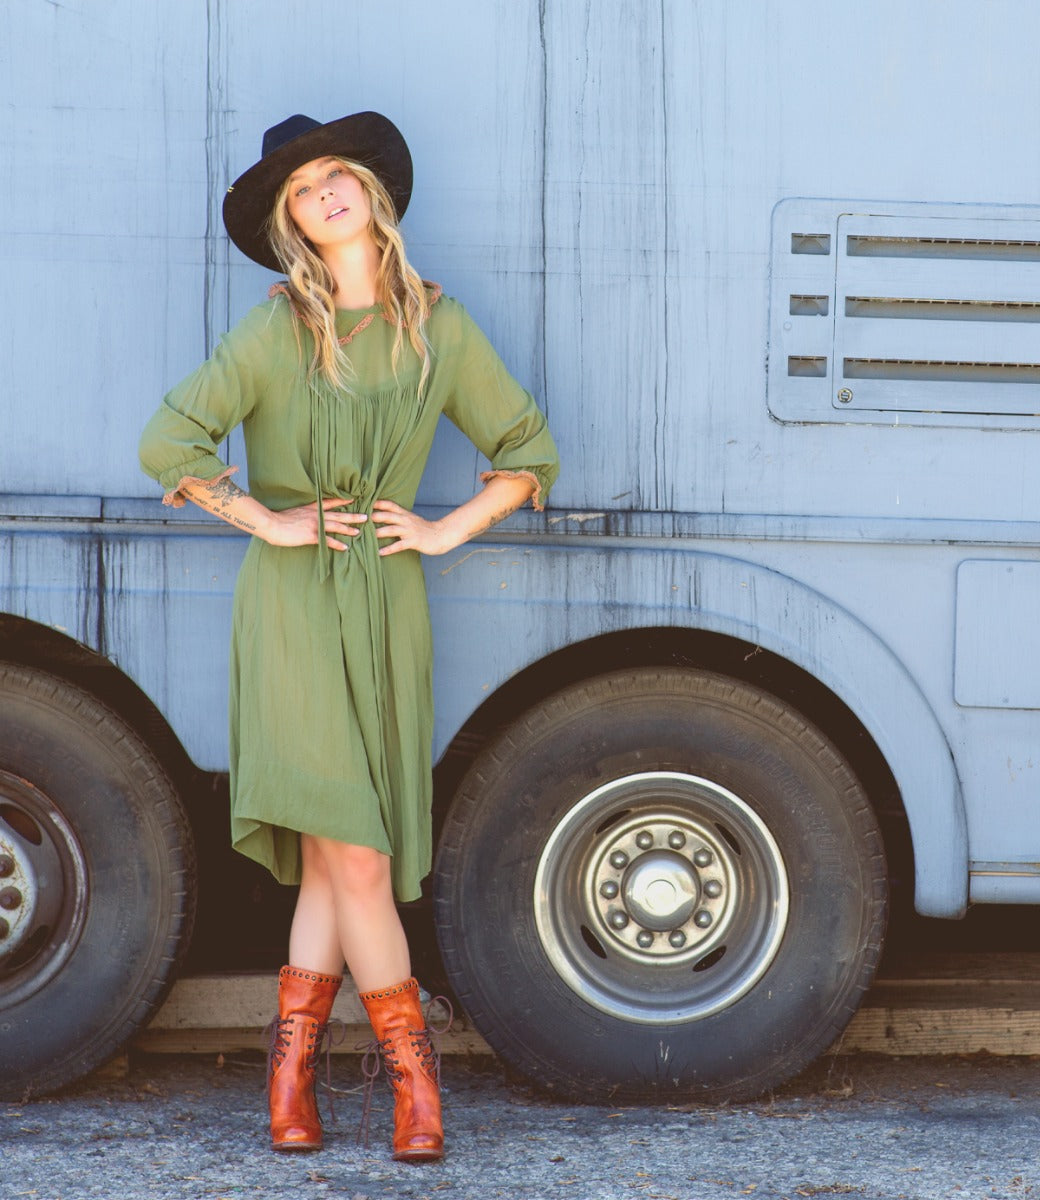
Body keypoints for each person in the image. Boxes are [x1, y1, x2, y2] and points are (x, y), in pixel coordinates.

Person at [139, 111, 559, 1164]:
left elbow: (523, 450)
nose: (325, 192)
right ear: (290, 224)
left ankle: (288, 1080)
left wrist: (442, 531)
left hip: (386, 608)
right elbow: (170, 440)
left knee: (336, 871)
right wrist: (268, 519)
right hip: (288, 610)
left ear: (370, 191)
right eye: (301, 190)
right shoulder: (278, 324)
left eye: (336, 174)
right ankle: (416, 1087)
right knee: (360, 862)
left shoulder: (438, 326)